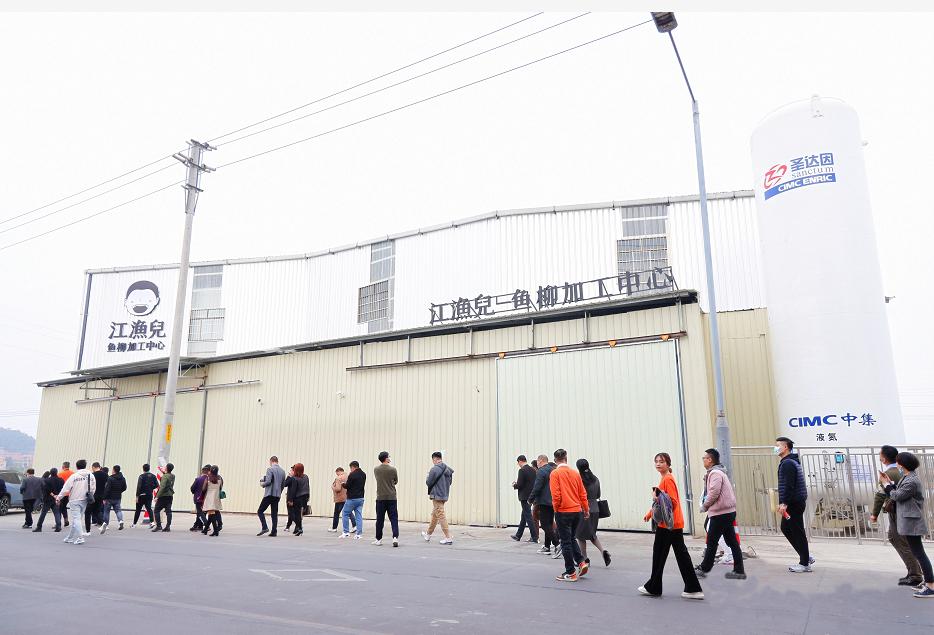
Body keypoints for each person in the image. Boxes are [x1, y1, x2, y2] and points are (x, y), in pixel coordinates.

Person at [638, 452, 704, 600]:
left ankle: (654, 587)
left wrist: (656, 498)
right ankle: (693, 589)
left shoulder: (667, 479)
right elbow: (665, 501)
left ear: (668, 464)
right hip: (673, 524)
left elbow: (671, 501)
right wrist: (650, 513)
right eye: (656, 461)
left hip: (668, 525)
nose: (658, 464)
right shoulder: (665, 478)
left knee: (659, 555)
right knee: (681, 555)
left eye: (661, 461)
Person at [881, 451, 934, 598]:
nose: (896, 464)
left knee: (919, 553)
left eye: (898, 462)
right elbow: (899, 491)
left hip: (912, 522)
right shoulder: (908, 477)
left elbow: (897, 496)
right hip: (910, 520)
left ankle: (930, 585)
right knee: (918, 552)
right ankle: (928, 582)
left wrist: (886, 485)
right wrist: (891, 484)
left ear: (902, 464)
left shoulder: (911, 480)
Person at [871, 445, 922, 586]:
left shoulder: (889, 473)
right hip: (904, 511)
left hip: (897, 511)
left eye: (880, 455)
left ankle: (916, 574)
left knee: (901, 541)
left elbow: (881, 495)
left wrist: (874, 514)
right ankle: (914, 571)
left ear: (884, 457)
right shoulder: (903, 473)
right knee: (897, 539)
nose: (879, 457)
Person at [695, 448, 746, 580]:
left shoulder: (715, 473)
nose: (703, 460)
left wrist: (705, 506)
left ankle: (704, 568)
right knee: (732, 542)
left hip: (720, 513)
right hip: (727, 512)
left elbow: (714, 492)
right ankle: (739, 570)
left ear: (710, 460)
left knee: (712, 541)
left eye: (704, 458)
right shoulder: (717, 472)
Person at [550, 449, 590, 582]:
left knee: (565, 542)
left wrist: (556, 509)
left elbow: (556, 495)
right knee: (572, 538)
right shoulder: (575, 473)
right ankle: (581, 561)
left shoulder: (555, 473)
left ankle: (570, 572)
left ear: (555, 460)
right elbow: (582, 493)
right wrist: (586, 509)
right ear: (566, 458)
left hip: (563, 511)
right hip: (577, 511)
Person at [775, 436, 812, 573]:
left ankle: (804, 563)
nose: (776, 448)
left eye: (778, 445)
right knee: (786, 528)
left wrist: (784, 503)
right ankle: (805, 556)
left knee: (797, 531)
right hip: (795, 501)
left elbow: (789, 485)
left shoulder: (788, 463)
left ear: (785, 447)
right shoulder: (789, 462)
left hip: (793, 503)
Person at [575, 459, 610, 567]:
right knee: (591, 534)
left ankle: (585, 559)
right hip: (595, 509)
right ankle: (603, 551)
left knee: (580, 535)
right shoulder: (595, 479)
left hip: (584, 509)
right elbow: (598, 494)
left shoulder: (579, 480)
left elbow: (577, 495)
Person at [56, 459, 95, 545]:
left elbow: (66, 488)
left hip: (74, 499)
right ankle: (69, 537)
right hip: (85, 499)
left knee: (76, 519)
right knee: (77, 519)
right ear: (85, 466)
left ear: (77, 466)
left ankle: (80, 538)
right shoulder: (91, 476)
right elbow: (93, 488)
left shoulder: (74, 476)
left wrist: (59, 497)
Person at [421, 451, 454, 545]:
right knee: (435, 515)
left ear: (435, 459)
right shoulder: (447, 469)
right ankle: (428, 534)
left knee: (440, 514)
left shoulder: (434, 469)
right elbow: (450, 482)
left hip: (437, 495)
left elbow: (428, 482)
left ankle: (448, 537)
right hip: (444, 495)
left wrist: (428, 476)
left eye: (433, 460)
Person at [529, 454, 559, 557]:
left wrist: (530, 499)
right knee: (549, 524)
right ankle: (547, 546)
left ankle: (557, 544)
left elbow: (537, 487)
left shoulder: (541, 471)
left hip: (544, 502)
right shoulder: (553, 470)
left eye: (537, 461)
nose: (537, 463)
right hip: (552, 501)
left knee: (545, 525)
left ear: (541, 460)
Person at [373, 451, 400, 547]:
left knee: (380, 519)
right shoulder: (393, 469)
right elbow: (396, 481)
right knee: (393, 518)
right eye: (389, 456)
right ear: (386, 458)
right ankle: (395, 538)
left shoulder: (376, 469)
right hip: (392, 497)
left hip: (380, 497)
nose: (390, 458)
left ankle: (378, 539)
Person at [511, 455, 538, 543]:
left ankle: (534, 537)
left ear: (520, 461)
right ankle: (518, 535)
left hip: (524, 497)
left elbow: (520, 485)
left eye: (518, 462)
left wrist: (514, 485)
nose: (518, 464)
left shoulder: (522, 470)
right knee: (524, 516)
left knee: (528, 516)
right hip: (530, 496)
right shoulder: (532, 470)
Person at [257, 455, 286, 537]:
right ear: (277, 461)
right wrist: (279, 492)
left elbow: (268, 481)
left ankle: (264, 527)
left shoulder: (270, 469)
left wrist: (262, 484)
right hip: (277, 495)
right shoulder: (283, 471)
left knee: (260, 511)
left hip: (269, 494)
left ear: (271, 461)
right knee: (274, 513)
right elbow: (283, 484)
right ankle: (274, 531)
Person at [340, 461, 366, 539]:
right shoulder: (363, 474)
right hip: (360, 498)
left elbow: (348, 486)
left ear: (353, 467)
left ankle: (346, 532)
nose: (350, 470)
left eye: (350, 468)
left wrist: (343, 484)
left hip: (352, 498)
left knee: (345, 513)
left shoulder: (352, 474)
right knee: (358, 515)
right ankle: (359, 534)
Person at [283, 463, 310, 536]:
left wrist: (290, 500)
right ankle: (298, 529)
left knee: (291, 514)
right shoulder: (306, 477)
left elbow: (292, 489)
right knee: (298, 514)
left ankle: (299, 527)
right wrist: (307, 498)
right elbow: (307, 487)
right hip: (303, 498)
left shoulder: (293, 478)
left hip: (295, 498)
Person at [35, 467, 64, 532]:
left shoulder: (47, 480)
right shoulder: (61, 480)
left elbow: (45, 490)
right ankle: (58, 526)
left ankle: (39, 527)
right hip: (57, 498)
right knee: (57, 513)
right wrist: (58, 496)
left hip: (48, 499)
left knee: (43, 513)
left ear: (50, 473)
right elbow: (63, 489)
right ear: (57, 472)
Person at [100, 465, 127, 533]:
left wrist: (104, 498)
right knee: (118, 510)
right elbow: (125, 487)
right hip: (118, 497)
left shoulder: (110, 478)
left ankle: (105, 524)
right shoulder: (122, 478)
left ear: (114, 470)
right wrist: (119, 491)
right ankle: (120, 521)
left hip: (109, 498)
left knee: (106, 511)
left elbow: (107, 489)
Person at [329, 467, 356, 533]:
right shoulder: (348, 476)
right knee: (349, 512)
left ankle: (334, 528)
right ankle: (355, 525)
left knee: (336, 513)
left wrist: (333, 487)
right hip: (347, 497)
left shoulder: (338, 478)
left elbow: (338, 489)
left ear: (338, 471)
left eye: (337, 473)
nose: (337, 475)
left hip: (340, 498)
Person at [152, 463, 175, 532]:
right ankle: (168, 526)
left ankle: (159, 526)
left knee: (156, 510)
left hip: (163, 496)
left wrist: (157, 496)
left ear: (167, 468)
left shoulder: (165, 476)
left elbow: (162, 487)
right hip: (170, 495)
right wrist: (164, 473)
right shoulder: (173, 476)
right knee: (168, 511)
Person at [201, 465, 224, 536]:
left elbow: (203, 489)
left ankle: (216, 531)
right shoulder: (220, 478)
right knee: (211, 514)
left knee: (211, 514)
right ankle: (205, 530)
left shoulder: (208, 478)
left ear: (210, 470)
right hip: (216, 498)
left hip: (209, 498)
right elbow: (220, 488)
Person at [86, 462, 108, 532]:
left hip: (93, 495)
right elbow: (107, 485)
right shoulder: (105, 475)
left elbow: (89, 485)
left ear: (93, 467)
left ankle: (88, 529)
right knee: (98, 510)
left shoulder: (92, 475)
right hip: (102, 495)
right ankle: (103, 523)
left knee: (88, 511)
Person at [190, 465, 211, 532]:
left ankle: (206, 525)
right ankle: (199, 525)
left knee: (200, 512)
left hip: (198, 498)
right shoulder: (210, 480)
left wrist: (195, 492)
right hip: (206, 499)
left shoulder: (198, 479)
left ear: (202, 471)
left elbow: (192, 488)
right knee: (203, 513)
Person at [58, 461, 73, 526]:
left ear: (63, 466)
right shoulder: (73, 473)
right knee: (63, 507)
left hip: (62, 493)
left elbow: (58, 484)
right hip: (70, 493)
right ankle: (66, 520)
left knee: (59, 508)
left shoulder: (60, 474)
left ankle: (58, 522)